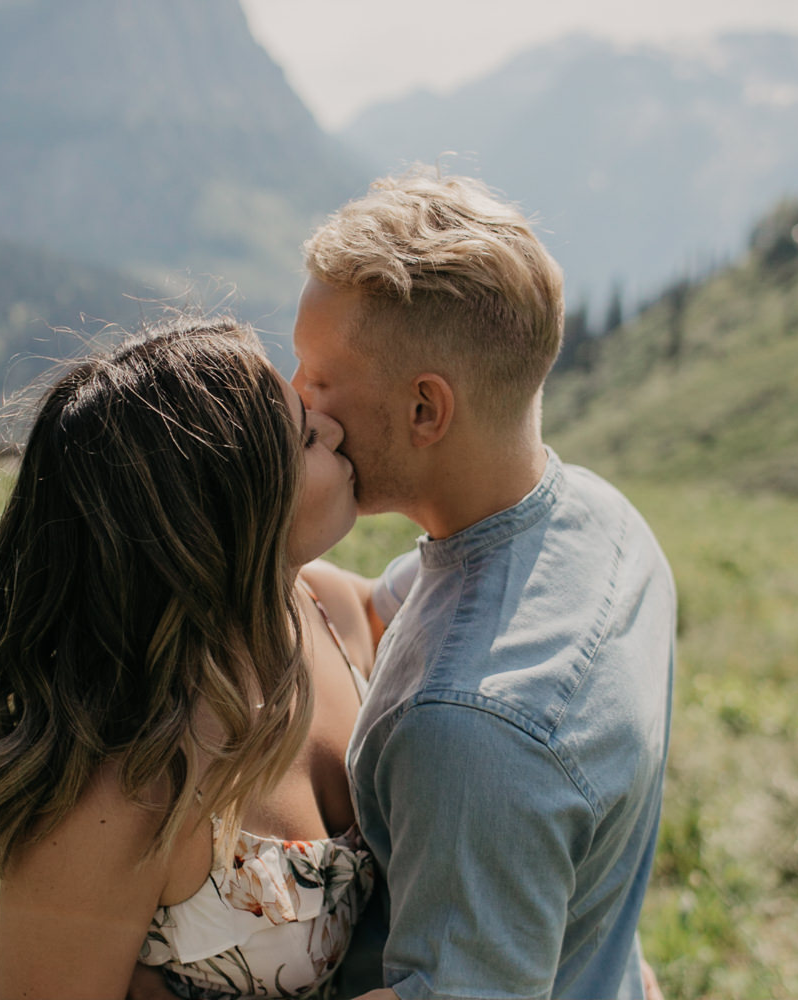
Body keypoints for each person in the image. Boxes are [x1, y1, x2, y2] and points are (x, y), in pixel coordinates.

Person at [291, 169, 676, 1000]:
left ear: (427, 410)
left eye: (318, 380)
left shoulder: (467, 734)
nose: (298, 404)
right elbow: (377, 604)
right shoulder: (604, 525)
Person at [0, 316, 382, 1000]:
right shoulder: (119, 791)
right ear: (231, 513)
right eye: (306, 437)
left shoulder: (330, 610)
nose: (335, 430)